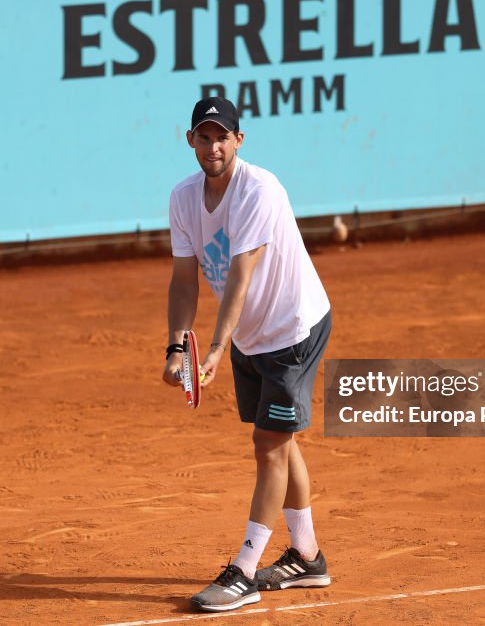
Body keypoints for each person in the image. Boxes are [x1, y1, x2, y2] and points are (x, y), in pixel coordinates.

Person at [162, 97, 333, 612]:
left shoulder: (259, 189)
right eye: (203, 136)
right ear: (189, 140)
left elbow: (241, 273)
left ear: (239, 140)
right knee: (281, 442)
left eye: (222, 136)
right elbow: (183, 277)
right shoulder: (183, 197)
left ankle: (245, 569)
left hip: (292, 328)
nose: (213, 146)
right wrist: (177, 345)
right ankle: (307, 558)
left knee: (268, 443)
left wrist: (213, 348)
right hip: (249, 335)